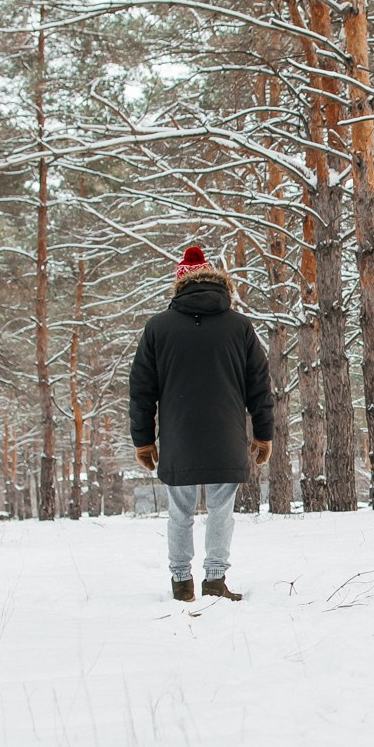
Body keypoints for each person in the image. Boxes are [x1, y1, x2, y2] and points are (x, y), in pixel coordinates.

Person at [129, 245, 275, 602]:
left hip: (179, 435)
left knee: (180, 511)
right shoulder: (239, 326)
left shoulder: (158, 327)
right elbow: (259, 384)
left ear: (179, 285)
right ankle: (215, 579)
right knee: (221, 511)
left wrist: (144, 439)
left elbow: (142, 389)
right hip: (226, 434)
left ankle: (181, 583)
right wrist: (263, 433)